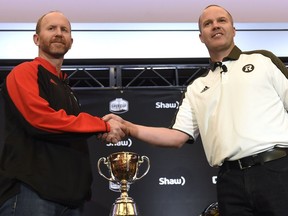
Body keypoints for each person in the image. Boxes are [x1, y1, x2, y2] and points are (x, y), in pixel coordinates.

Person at [103, 5, 288, 216]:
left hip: (277, 168)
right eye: (208, 24)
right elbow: (176, 136)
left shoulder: (262, 60)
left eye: (221, 21)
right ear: (201, 37)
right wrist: (129, 127)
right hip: (230, 181)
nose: (215, 26)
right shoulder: (197, 87)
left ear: (234, 29)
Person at [0, 11, 126, 216]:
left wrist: (102, 126)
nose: (58, 33)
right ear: (36, 39)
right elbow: (39, 119)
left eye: (64, 30)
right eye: (51, 28)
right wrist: (102, 126)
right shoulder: (24, 72)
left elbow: (69, 126)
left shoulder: (66, 86)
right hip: (31, 192)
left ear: (71, 41)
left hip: (70, 199)